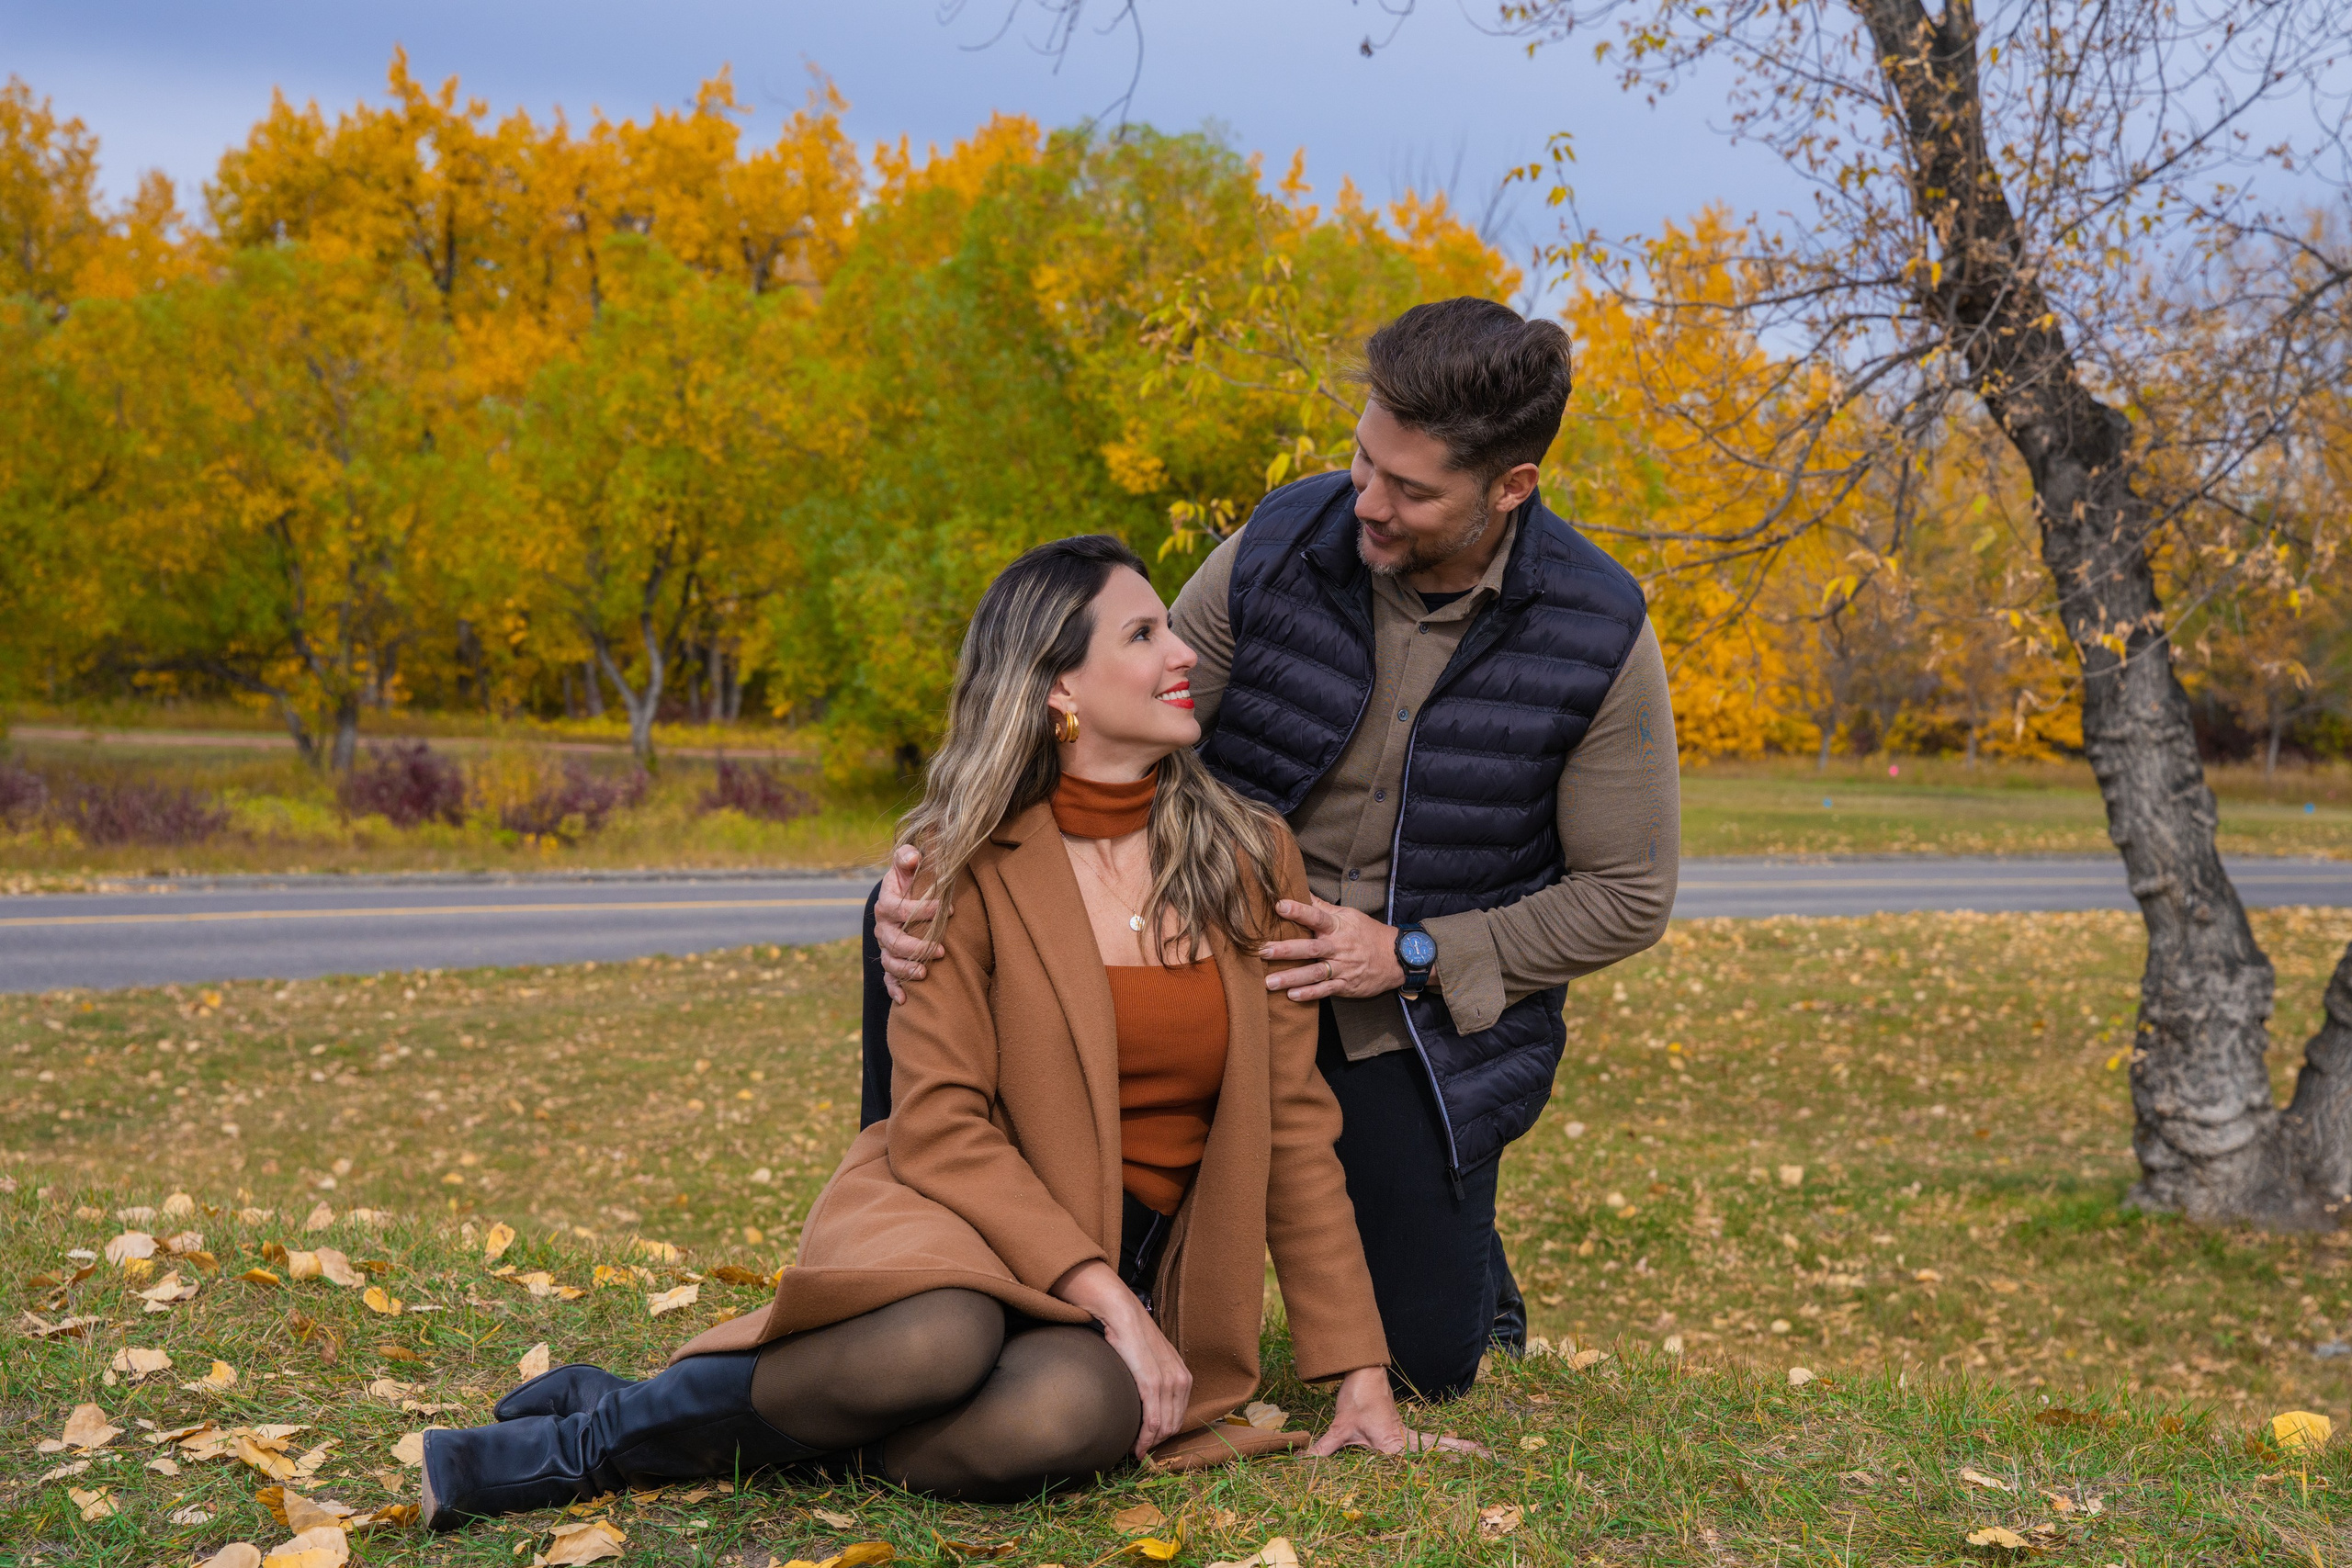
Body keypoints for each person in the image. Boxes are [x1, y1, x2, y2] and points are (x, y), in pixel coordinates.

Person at [420, 536, 1458, 1531]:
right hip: (954, 1215)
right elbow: (942, 1123)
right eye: (1143, 635)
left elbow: (1290, 1125)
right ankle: (584, 1447)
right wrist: (1104, 1299)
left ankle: (752, 1420)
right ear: (1058, 686)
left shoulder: (1248, 855)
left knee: (1069, 1419)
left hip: (1133, 1255)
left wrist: (1355, 1376)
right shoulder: (956, 864)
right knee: (937, 1335)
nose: (1185, 651)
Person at [870, 298, 1679, 1403]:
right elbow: (1109, 706)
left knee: (1426, 1365)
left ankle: (1456, 1239)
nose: (1368, 500)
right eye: (1362, 458)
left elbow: (1627, 896)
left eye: (1410, 488)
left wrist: (1406, 952)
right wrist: (941, 858)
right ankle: (909, 1248)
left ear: (1510, 489)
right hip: (1211, 953)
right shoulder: (1287, 539)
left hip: (1406, 1022)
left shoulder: (1597, 627)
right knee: (909, 934)